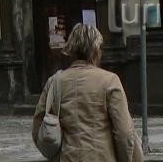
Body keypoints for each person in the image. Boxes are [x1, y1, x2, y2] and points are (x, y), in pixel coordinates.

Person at [32, 22, 143, 162]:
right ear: (96, 51)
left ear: (71, 49)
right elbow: (124, 133)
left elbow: (38, 128)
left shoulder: (55, 82)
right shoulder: (110, 81)